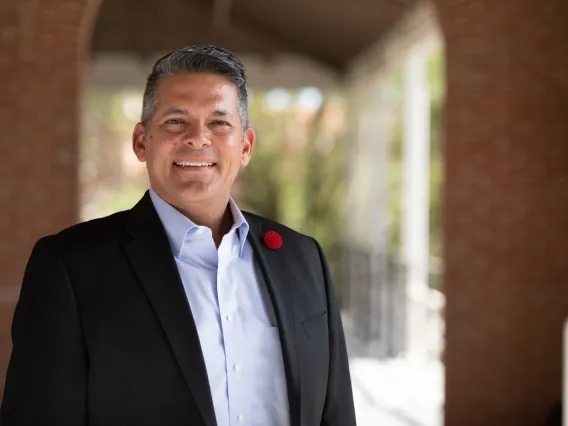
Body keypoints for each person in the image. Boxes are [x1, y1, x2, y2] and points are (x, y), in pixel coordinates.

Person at [1, 45, 356, 426]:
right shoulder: (71, 267)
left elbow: (334, 412)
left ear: (246, 146)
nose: (197, 138)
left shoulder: (303, 258)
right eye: (175, 121)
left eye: (219, 122)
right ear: (141, 142)